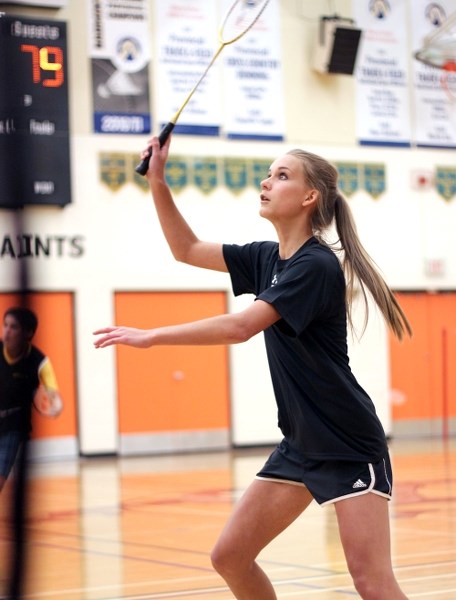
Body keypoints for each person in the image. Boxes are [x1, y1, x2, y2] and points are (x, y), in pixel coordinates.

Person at [94, 135, 412, 600]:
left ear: (309, 198)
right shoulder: (267, 257)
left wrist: (152, 335)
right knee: (230, 556)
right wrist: (158, 180)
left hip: (347, 443)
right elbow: (185, 248)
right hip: (301, 445)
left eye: (281, 175)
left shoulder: (315, 266)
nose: (266, 181)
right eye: (269, 173)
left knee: (372, 582)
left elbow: (242, 326)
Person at [0, 307, 63, 492]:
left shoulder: (39, 361)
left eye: (14, 327)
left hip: (12, 426)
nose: (7, 331)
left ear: (28, 332)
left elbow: (54, 395)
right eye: (5, 325)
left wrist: (55, 408)